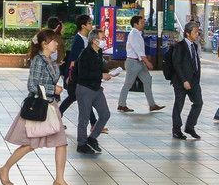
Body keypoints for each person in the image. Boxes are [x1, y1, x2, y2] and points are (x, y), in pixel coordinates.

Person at [0, 28, 74, 185]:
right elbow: (31, 85)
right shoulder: (38, 61)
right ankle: (5, 168)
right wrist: (53, 88)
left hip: (51, 106)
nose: (57, 44)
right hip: (39, 107)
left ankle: (59, 179)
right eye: (54, 41)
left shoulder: (50, 60)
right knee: (30, 145)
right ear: (45, 43)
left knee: (61, 143)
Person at [72, 21, 111, 154]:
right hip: (85, 89)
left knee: (105, 114)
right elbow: (83, 74)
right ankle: (81, 144)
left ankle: (92, 138)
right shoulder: (85, 54)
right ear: (94, 41)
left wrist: (109, 71)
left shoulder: (98, 53)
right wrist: (101, 75)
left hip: (96, 89)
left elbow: (100, 67)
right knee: (84, 118)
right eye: (102, 39)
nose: (104, 41)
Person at [164, 19, 205, 140]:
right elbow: (177, 64)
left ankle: (190, 127)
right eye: (196, 32)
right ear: (188, 33)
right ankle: (176, 130)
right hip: (181, 81)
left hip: (194, 80)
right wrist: (184, 81)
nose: (198, 34)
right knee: (179, 105)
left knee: (198, 103)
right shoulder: (179, 46)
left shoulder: (195, 45)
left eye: (198, 32)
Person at [116, 15, 163, 113]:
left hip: (139, 62)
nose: (143, 24)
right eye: (141, 22)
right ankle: (121, 104)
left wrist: (144, 62)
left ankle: (152, 105)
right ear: (135, 24)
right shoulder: (134, 34)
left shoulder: (138, 34)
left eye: (143, 22)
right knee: (128, 84)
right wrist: (147, 62)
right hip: (133, 62)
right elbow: (139, 50)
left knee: (147, 80)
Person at [58, 15, 92, 116]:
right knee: (79, 98)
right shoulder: (79, 40)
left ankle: (93, 123)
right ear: (83, 26)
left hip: (81, 75)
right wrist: (69, 76)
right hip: (76, 76)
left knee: (79, 98)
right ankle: (94, 123)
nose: (91, 25)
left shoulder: (86, 39)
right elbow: (73, 60)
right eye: (89, 23)